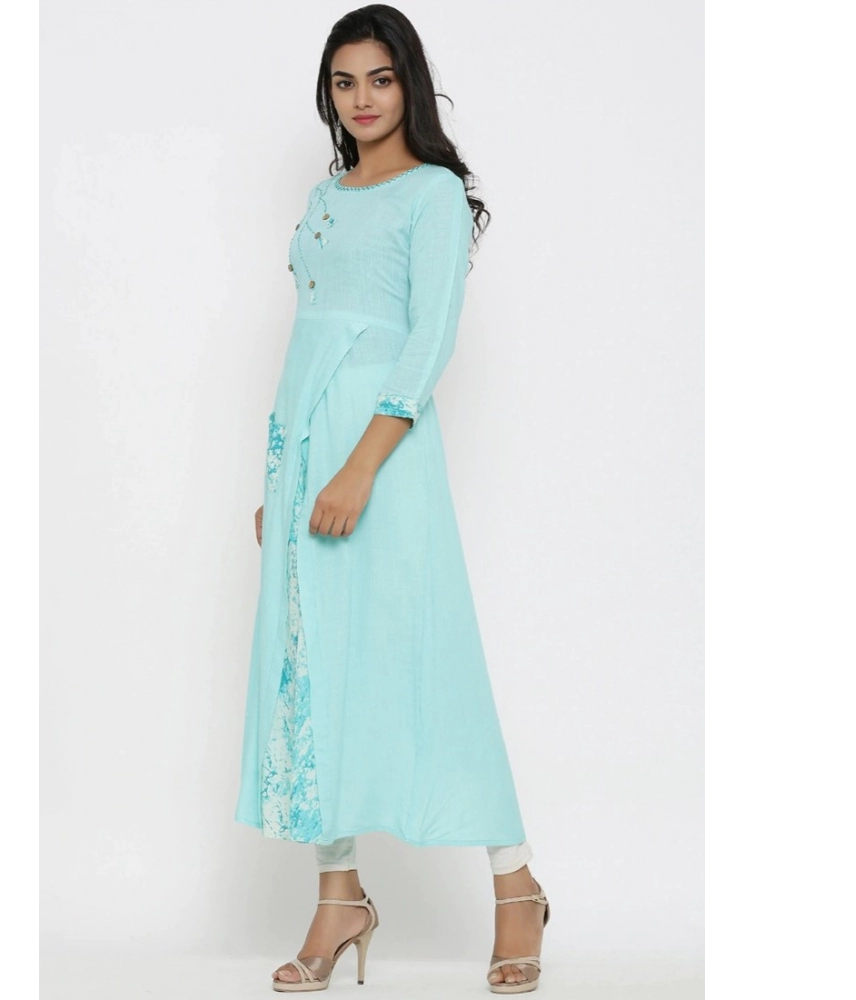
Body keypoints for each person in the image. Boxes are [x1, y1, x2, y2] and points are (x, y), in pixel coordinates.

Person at [233, 5, 551, 993]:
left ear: (409, 82)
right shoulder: (327, 195)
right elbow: (308, 334)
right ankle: (338, 893)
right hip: (305, 450)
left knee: (426, 656)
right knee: (312, 666)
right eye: (343, 82)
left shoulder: (433, 195)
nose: (361, 99)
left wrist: (360, 466)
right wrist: (281, 480)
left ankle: (515, 883)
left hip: (381, 453)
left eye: (379, 78)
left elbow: (426, 340)